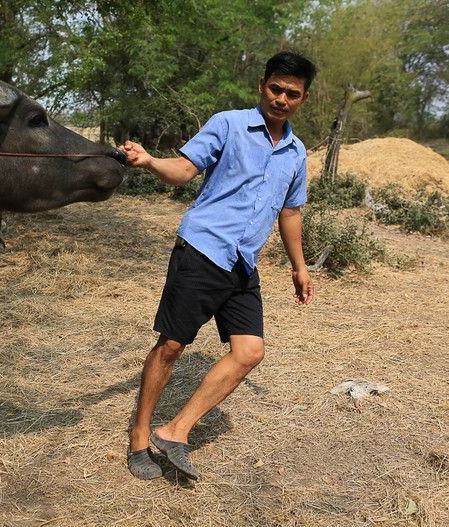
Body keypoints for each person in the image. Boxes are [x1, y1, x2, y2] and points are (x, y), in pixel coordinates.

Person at [119, 51, 317, 480]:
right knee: (172, 346)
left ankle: (174, 430)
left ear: (303, 99)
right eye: (276, 89)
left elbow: (290, 211)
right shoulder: (227, 124)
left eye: (292, 94)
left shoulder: (297, 152)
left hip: (244, 263)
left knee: (249, 352)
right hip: (203, 250)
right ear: (262, 85)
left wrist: (300, 266)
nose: (282, 99)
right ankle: (139, 435)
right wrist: (151, 161)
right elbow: (185, 169)